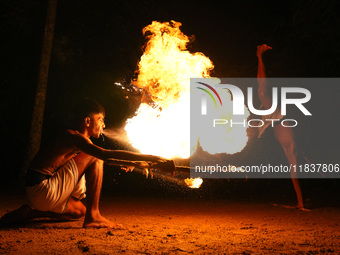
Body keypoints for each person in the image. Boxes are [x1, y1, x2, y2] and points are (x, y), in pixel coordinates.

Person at [0, 98, 175, 228]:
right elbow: (104, 155)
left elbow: (107, 159)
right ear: (87, 121)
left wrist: (137, 164)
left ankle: (31, 212)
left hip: (41, 195)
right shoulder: (73, 137)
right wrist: (153, 158)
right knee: (96, 157)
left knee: (79, 211)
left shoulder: (80, 144)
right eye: (100, 120)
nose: (104, 125)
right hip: (43, 188)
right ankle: (94, 216)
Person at [256, 44, 304, 209]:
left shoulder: (289, 145)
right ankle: (259, 55)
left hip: (277, 121)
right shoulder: (271, 121)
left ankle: (300, 202)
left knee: (293, 168)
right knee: (262, 91)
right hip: (276, 121)